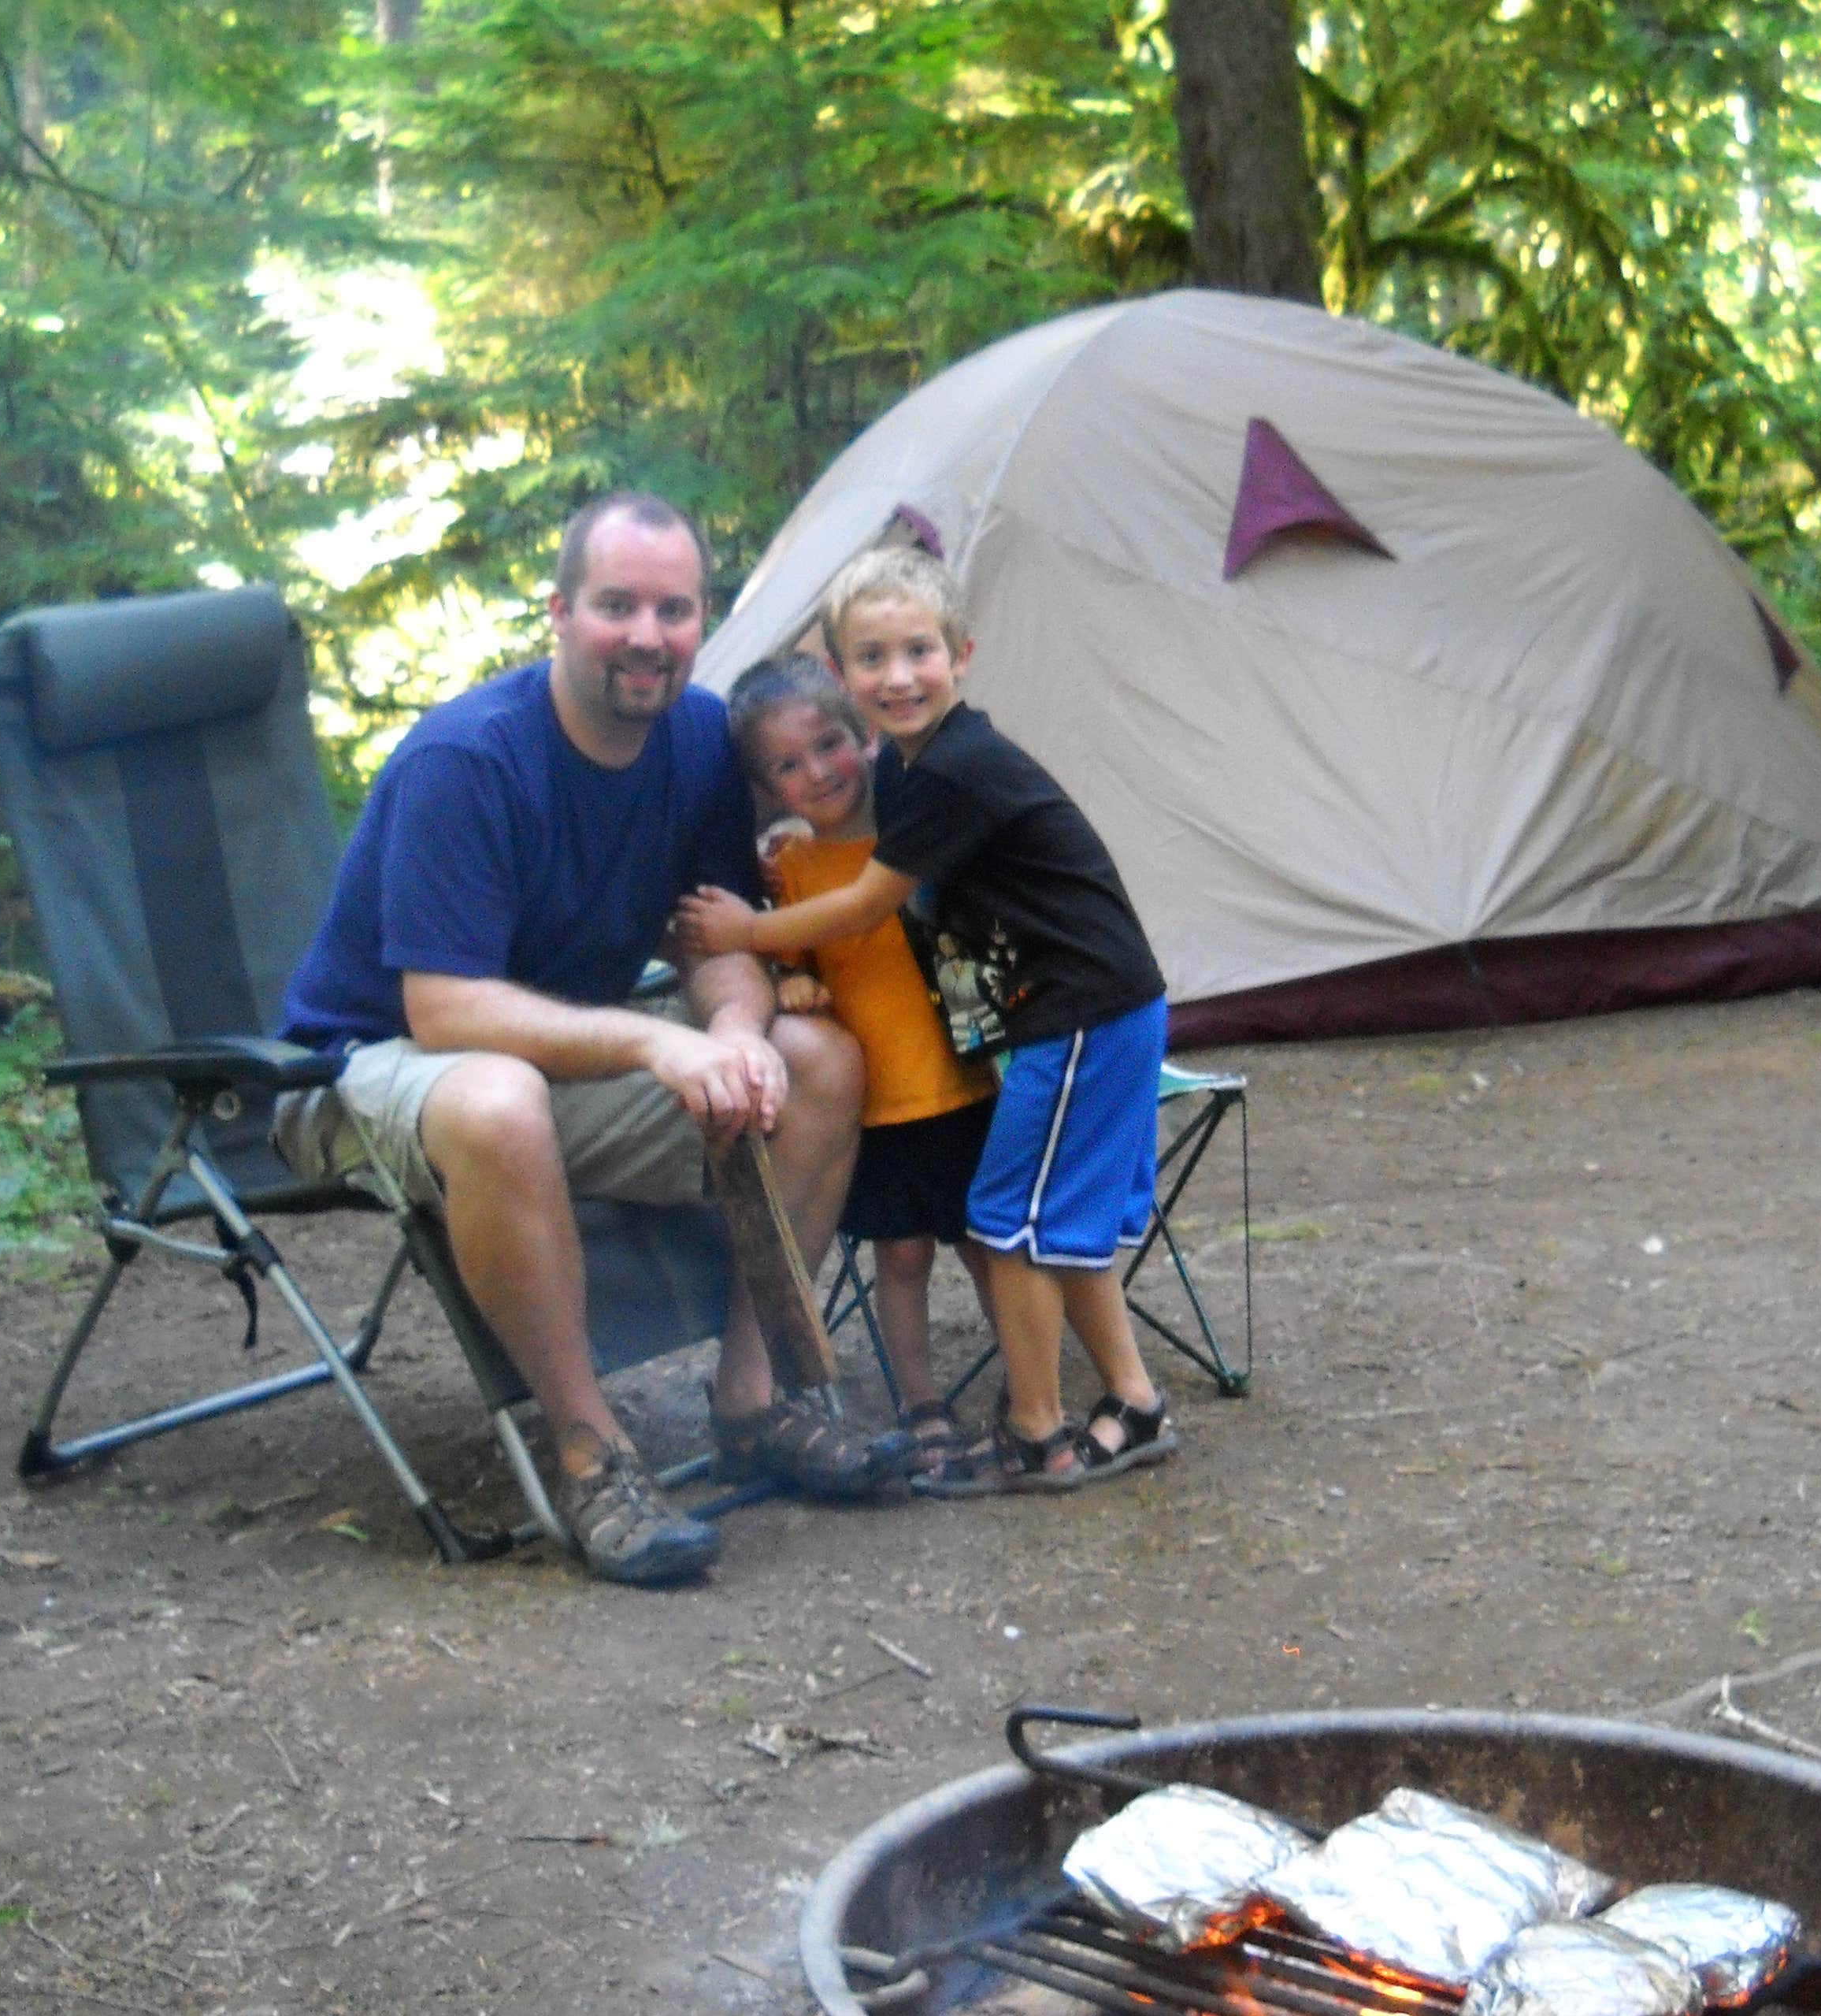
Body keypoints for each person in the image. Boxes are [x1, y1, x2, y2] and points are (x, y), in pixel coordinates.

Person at [276, 492, 882, 1591]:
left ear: (702, 622)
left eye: (674, 609)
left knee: (818, 1063)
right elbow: (443, 1012)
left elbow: (710, 940)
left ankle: (755, 1401)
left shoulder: (698, 741)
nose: (647, 635)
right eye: (617, 606)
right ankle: (591, 1456)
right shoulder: (469, 760)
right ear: (558, 612)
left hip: (554, 1055)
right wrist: (658, 1048)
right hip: (365, 1067)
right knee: (498, 1097)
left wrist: (733, 1031)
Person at [678, 547, 1178, 1495]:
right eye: (873, 658)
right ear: (842, 674)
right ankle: (1132, 1402)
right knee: (1040, 1219)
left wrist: (747, 930)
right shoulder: (918, 769)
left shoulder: (952, 771)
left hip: (1084, 1006)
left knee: (1009, 1223)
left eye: (918, 652)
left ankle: (1035, 1430)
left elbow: (870, 903)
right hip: (1066, 1013)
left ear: (961, 655)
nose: (898, 677)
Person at [727, 655, 1000, 1472]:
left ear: (866, 737)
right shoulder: (794, 871)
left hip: (967, 1090)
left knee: (990, 1250)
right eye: (787, 765)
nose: (816, 772)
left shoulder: (915, 838)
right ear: (767, 788)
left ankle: (1030, 1389)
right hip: (879, 1107)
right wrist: (793, 980)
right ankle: (921, 1403)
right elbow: (791, 961)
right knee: (902, 1259)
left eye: (828, 744)